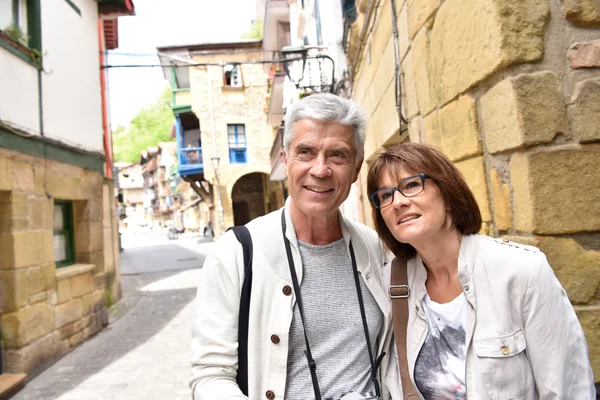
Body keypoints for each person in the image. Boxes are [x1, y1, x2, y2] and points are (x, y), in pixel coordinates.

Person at [190, 93, 394, 400]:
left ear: (355, 169)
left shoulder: (375, 249)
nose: (320, 169)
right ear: (286, 162)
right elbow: (209, 376)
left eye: (337, 155)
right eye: (306, 152)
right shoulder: (235, 253)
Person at [366, 143, 596, 399]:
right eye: (385, 195)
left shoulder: (521, 271)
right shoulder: (390, 285)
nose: (397, 201)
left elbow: (569, 391)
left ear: (448, 194)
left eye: (411, 185)